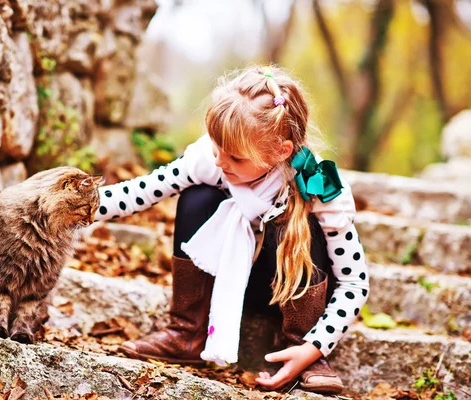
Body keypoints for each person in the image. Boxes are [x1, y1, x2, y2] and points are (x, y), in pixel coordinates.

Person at [94, 65, 369, 395]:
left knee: (301, 223)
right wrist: (74, 206)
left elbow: (354, 281)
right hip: (227, 277)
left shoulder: (320, 186)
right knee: (197, 196)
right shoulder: (212, 158)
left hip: (288, 294)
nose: (221, 162)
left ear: (280, 151)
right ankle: (187, 332)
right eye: (216, 148)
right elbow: (140, 191)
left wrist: (314, 346)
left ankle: (301, 351)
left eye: (236, 158)